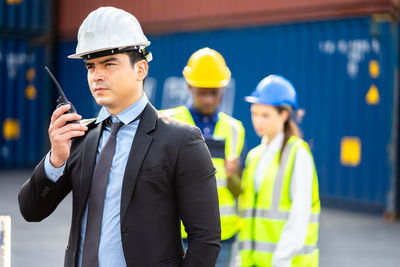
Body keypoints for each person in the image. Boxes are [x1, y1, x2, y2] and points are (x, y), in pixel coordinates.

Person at [18, 7, 221, 267]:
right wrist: (56, 159)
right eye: (90, 66)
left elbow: (206, 240)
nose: (97, 76)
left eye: (109, 64)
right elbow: (31, 211)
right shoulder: (80, 137)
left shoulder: (181, 142)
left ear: (141, 69)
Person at [163, 48, 245, 267]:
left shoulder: (235, 129)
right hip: (177, 233)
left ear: (223, 90)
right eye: (202, 92)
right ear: (189, 87)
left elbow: (238, 190)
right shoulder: (169, 122)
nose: (208, 99)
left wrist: (234, 174)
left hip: (222, 235)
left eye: (214, 92)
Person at [238, 75, 320, 267]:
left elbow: (299, 216)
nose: (258, 121)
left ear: (283, 115)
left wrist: (281, 260)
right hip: (253, 262)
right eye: (254, 113)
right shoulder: (255, 156)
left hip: (286, 262)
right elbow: (248, 212)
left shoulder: (298, 154)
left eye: (265, 115)